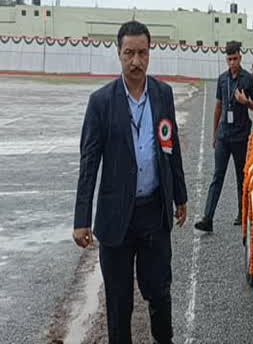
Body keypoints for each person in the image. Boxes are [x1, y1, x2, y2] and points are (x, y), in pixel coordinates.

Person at [73, 20, 187, 344]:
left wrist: (180, 196)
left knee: (160, 294)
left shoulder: (163, 94)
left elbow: (171, 147)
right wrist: (81, 219)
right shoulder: (101, 102)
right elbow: (89, 164)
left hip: (154, 213)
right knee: (119, 304)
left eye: (142, 53)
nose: (136, 61)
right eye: (129, 54)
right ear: (118, 54)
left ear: (150, 53)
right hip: (115, 218)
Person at [194, 41, 253, 232]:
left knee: (241, 176)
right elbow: (218, 107)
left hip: (240, 135)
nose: (232, 63)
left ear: (241, 57)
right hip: (223, 135)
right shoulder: (222, 79)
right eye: (229, 59)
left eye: (235, 59)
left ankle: (242, 213)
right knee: (217, 176)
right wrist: (214, 134)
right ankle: (208, 218)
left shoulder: (248, 79)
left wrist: (245, 102)